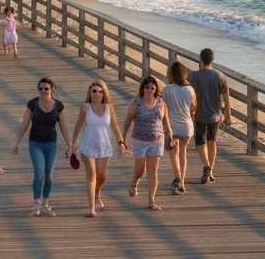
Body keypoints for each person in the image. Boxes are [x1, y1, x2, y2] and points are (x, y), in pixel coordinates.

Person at [70, 79, 128, 217]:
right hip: (88, 145)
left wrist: (121, 142)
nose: (97, 94)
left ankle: (97, 193)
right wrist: (72, 143)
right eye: (94, 91)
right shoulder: (85, 107)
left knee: (102, 176)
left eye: (100, 91)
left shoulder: (109, 108)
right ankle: (91, 208)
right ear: (90, 93)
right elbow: (79, 124)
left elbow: (114, 125)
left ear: (104, 93)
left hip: (104, 145)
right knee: (91, 176)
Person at [12, 77, 69, 216]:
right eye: (40, 88)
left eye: (46, 89)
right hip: (35, 143)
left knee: (49, 176)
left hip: (51, 144)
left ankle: (46, 202)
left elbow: (63, 126)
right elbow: (25, 124)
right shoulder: (32, 104)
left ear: (52, 90)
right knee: (39, 174)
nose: (43, 91)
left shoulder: (59, 106)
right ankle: (36, 202)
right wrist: (17, 142)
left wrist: (70, 145)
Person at [122, 76, 174, 212]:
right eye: (147, 87)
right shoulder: (136, 103)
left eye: (152, 88)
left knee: (153, 171)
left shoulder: (161, 103)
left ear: (156, 89)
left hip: (156, 141)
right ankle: (135, 180)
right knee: (140, 170)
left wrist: (170, 136)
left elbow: (166, 121)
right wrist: (122, 139)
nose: (150, 90)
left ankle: (151, 200)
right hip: (139, 140)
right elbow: (128, 121)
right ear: (143, 88)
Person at [189, 48, 231, 184]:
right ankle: (210, 170)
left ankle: (206, 166)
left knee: (200, 141)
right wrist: (228, 115)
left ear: (200, 60)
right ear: (213, 60)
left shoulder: (193, 76)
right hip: (215, 115)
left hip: (199, 114)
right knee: (212, 141)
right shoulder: (221, 76)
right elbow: (226, 97)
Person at [163, 62, 197, 194]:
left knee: (173, 154)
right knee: (183, 153)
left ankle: (177, 178)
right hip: (186, 125)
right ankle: (182, 182)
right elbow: (193, 108)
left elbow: (164, 108)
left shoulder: (167, 89)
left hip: (173, 125)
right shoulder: (190, 90)